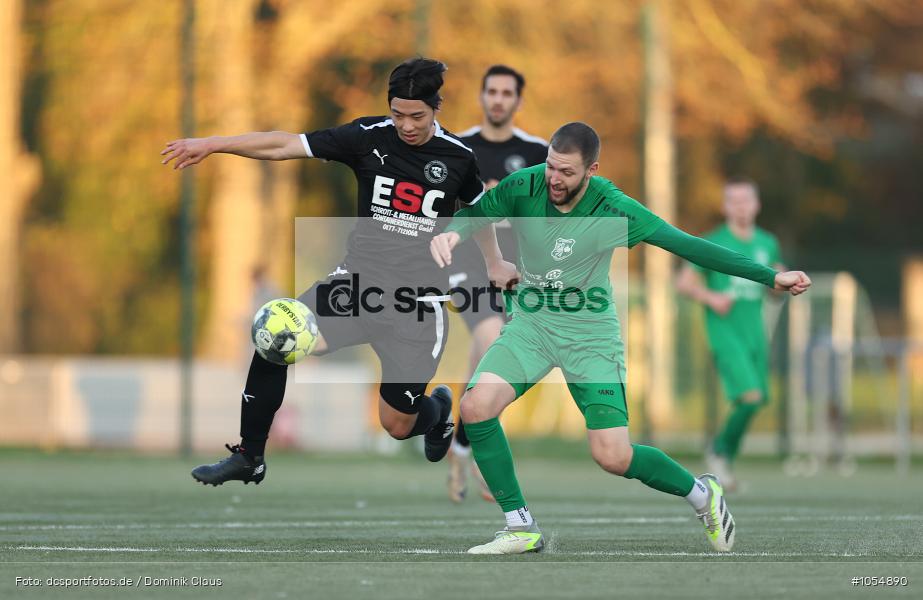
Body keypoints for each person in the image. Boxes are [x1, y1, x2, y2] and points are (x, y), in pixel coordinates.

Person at [430, 122, 811, 554]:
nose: (554, 178)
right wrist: (452, 233)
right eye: (551, 166)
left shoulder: (613, 209)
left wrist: (769, 277)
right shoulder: (526, 185)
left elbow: (689, 247)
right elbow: (477, 211)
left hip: (590, 335)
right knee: (476, 407)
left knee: (612, 455)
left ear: (592, 170)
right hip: (532, 326)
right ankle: (520, 525)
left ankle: (702, 494)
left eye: (567, 172)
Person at [161, 57, 516, 486]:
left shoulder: (457, 157)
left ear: (435, 108)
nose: (406, 125)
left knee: (397, 423)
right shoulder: (366, 137)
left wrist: (496, 263)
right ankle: (249, 455)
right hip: (355, 287)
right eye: (398, 114)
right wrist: (215, 143)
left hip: (415, 308)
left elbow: (481, 212)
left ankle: (437, 412)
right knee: (276, 335)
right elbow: (283, 145)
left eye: (417, 116)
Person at [447, 65, 548, 503]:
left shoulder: (538, 151)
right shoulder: (458, 147)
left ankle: (462, 442)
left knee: (493, 355)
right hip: (467, 263)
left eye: (508, 93)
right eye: (492, 91)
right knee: (489, 339)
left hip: (517, 271)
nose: (499, 99)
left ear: (519, 101)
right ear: (481, 95)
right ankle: (479, 448)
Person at [675, 177, 784, 491]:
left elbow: (775, 282)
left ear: (757, 204)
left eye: (746, 200)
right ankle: (720, 451)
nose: (741, 206)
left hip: (755, 332)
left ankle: (723, 462)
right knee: (749, 397)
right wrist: (711, 298)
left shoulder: (767, 243)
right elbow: (684, 282)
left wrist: (782, 287)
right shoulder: (713, 241)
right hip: (725, 332)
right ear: (724, 207)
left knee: (758, 398)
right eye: (734, 201)